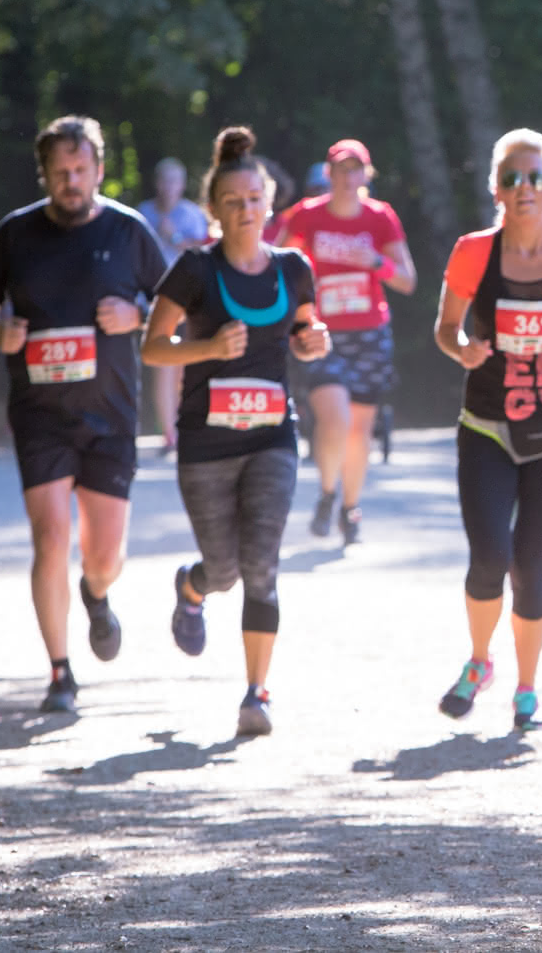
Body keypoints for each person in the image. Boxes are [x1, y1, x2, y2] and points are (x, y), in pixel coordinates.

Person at [0, 116, 168, 715]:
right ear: (45, 174)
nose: (71, 182)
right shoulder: (16, 234)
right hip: (39, 413)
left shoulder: (130, 232)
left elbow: (172, 307)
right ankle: (59, 672)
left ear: (99, 170)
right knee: (50, 536)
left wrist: (137, 319)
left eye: (81, 171)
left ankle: (96, 597)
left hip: (111, 416)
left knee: (105, 557)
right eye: (60, 172)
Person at [140, 125, 330, 736]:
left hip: (272, 437)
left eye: (255, 199)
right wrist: (207, 347)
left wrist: (313, 343)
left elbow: (304, 333)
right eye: (233, 202)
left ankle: (256, 692)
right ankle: (192, 588)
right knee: (223, 570)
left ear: (269, 203)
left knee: (263, 565)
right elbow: (152, 347)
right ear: (215, 210)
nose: (246, 210)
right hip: (205, 443)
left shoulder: (294, 269)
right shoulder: (194, 271)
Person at [432, 128, 542, 731]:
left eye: (536, 177)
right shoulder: (473, 253)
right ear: (497, 191)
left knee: (529, 565)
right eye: (512, 179)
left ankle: (527, 686)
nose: (525, 188)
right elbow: (446, 329)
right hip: (487, 427)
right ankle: (479, 661)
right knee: (490, 557)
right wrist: (461, 350)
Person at [274, 139, 416, 544]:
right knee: (334, 415)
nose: (348, 178)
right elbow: (275, 265)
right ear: (330, 175)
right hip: (321, 331)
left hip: (370, 333)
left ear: (365, 176)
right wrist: (301, 290)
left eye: (357, 170)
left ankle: (350, 509)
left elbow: (407, 280)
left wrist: (374, 261)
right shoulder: (306, 217)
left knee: (359, 429)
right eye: (341, 169)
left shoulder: (380, 218)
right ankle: (327, 492)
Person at [138, 157, 212, 453]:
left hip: (190, 300)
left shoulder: (193, 214)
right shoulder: (143, 214)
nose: (168, 187)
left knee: (185, 366)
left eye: (174, 181)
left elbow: (204, 250)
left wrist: (175, 236)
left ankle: (185, 426)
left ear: (182, 185)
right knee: (162, 366)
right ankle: (168, 433)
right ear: (157, 183)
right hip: (154, 300)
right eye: (164, 180)